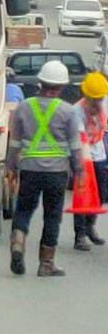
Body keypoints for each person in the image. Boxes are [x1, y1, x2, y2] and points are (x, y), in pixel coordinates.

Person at [7, 59, 85, 276]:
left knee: (23, 209)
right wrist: (79, 170)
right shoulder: (68, 111)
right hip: (57, 173)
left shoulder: (24, 107)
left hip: (30, 170)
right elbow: (75, 145)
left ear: (40, 82)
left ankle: (18, 243)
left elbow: (14, 142)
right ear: (61, 86)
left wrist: (11, 168)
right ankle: (46, 264)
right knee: (52, 216)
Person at [74, 72, 108, 250]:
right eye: (94, 99)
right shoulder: (76, 111)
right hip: (83, 155)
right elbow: (80, 139)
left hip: (99, 153)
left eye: (100, 99)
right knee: (83, 196)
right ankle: (79, 235)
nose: (97, 103)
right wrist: (82, 166)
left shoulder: (105, 104)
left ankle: (90, 225)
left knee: (101, 194)